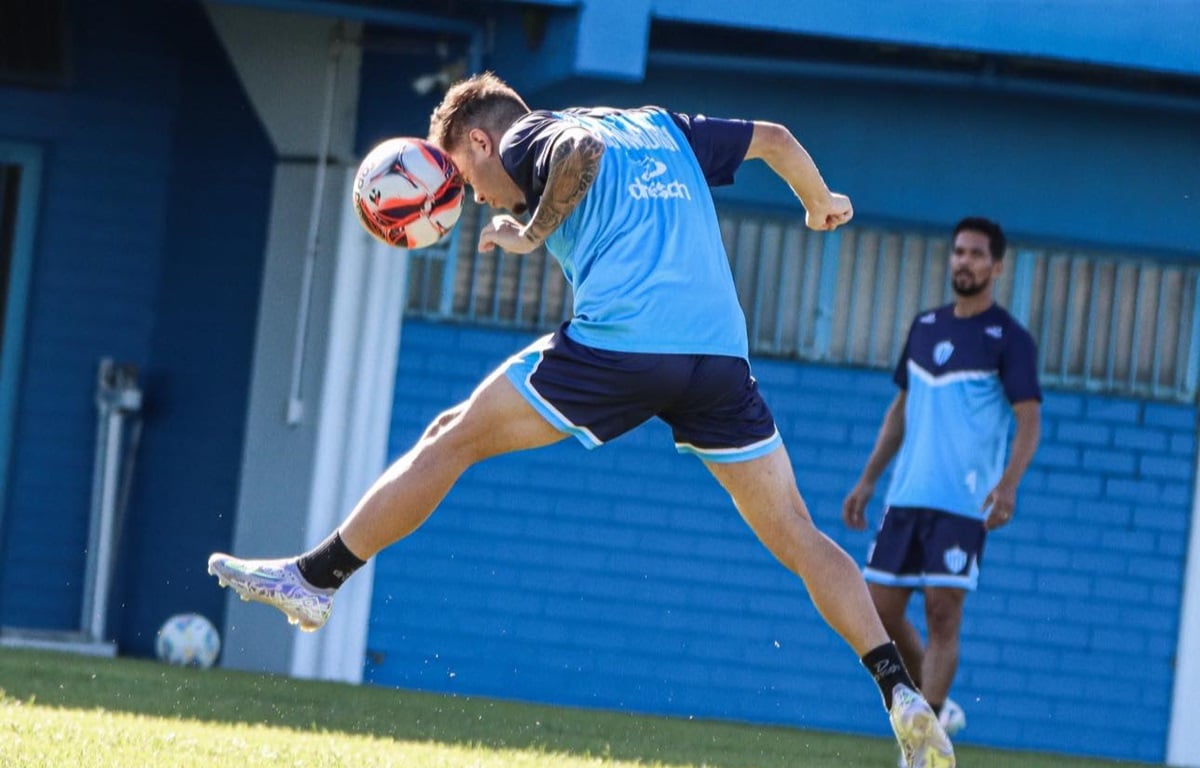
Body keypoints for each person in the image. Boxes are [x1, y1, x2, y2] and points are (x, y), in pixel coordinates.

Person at [210, 72, 955, 767]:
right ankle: (897, 690)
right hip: (718, 358)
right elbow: (777, 140)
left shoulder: (535, 134)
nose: (472, 201)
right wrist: (819, 201)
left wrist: (531, 233)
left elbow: (577, 149)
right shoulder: (661, 126)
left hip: (625, 344)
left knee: (451, 438)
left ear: (479, 141)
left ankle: (317, 579)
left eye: (466, 183)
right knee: (797, 531)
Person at [842, 216, 1041, 762]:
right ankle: (936, 707)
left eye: (977, 255)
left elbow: (1030, 420)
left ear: (996, 267)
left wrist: (1008, 486)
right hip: (904, 498)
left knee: (943, 612)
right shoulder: (925, 326)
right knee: (877, 610)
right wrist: (867, 480)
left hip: (963, 503)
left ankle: (921, 742)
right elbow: (901, 411)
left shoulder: (1010, 339)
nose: (965, 262)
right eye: (958, 252)